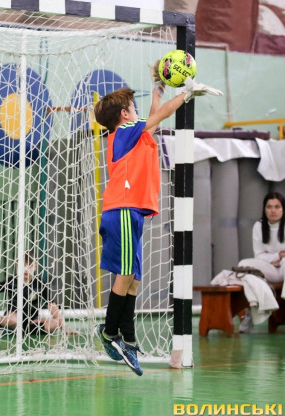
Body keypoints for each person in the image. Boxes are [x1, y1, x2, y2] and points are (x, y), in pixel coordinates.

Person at [93, 66, 222, 375]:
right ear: (125, 115)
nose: (139, 114)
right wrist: (186, 94)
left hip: (132, 213)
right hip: (122, 210)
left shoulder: (135, 137)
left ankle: (128, 337)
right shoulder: (123, 133)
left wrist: (158, 88)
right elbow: (160, 116)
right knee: (126, 274)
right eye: (134, 108)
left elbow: (155, 115)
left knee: (134, 277)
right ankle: (109, 332)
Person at [237, 192, 285, 334]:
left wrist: (283, 259)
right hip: (272, 267)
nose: (273, 211)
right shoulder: (258, 226)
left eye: (277, 207)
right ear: (264, 209)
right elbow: (259, 255)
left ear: (283, 209)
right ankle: (252, 311)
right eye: (269, 207)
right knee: (243, 265)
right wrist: (278, 255)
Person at [0, 251, 66, 336]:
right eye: (22, 266)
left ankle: (25, 331)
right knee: (12, 319)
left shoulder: (40, 284)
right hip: (12, 320)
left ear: (35, 266)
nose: (26, 269)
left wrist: (63, 328)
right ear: (17, 266)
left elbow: (52, 305)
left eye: (30, 265)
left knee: (55, 323)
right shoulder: (11, 282)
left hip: (31, 321)